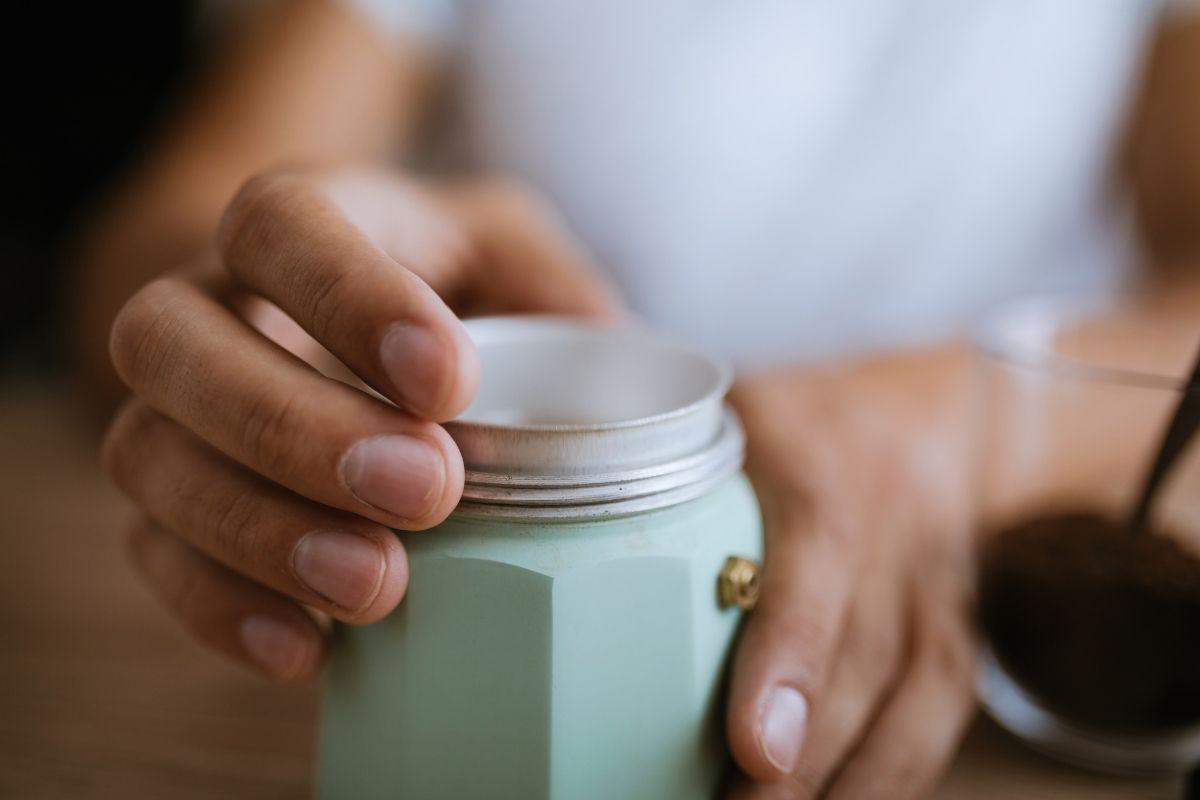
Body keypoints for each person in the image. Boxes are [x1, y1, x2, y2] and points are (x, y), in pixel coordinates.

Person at [76, 1, 1200, 797]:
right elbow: (157, 237)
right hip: (433, 529)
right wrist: (253, 292)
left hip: (1021, 648)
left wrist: (932, 420)